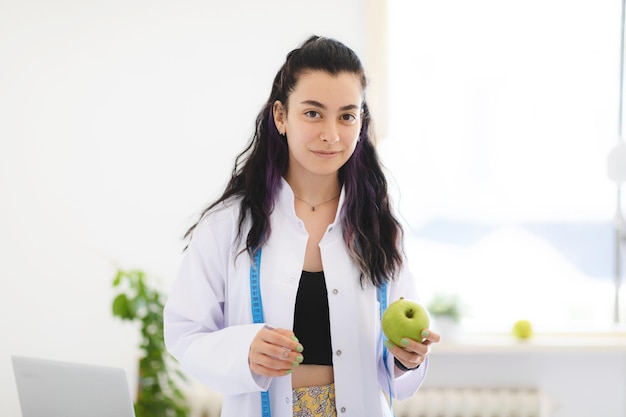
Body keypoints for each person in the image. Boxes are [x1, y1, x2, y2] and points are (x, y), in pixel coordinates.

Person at [163, 35, 440, 417]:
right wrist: (245, 350)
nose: (331, 134)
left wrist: (407, 358)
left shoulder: (379, 228)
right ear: (281, 116)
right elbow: (185, 334)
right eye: (313, 113)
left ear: (362, 122)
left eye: (347, 115)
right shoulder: (228, 225)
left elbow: (395, 362)